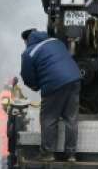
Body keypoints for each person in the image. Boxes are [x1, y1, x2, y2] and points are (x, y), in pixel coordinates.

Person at [20, 29, 82, 161]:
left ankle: (47, 153)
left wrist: (36, 86)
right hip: (74, 79)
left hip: (54, 84)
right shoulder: (56, 42)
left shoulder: (29, 53)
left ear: (26, 40)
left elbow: (28, 76)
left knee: (49, 118)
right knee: (71, 118)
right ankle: (71, 154)